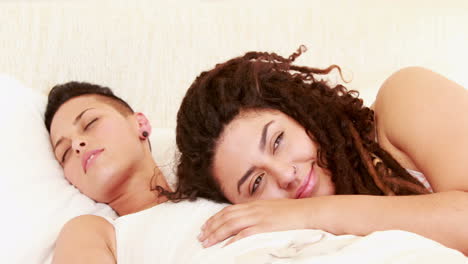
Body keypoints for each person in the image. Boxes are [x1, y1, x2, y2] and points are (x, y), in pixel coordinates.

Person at [174, 47, 468, 254]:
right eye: (257, 182)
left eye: (277, 141)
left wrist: (312, 212)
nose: (286, 174)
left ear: (301, 112)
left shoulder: (406, 96)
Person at [44, 82, 172, 263]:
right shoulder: (90, 234)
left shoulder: (214, 192)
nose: (76, 144)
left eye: (90, 123)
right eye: (65, 153)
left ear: (140, 123)